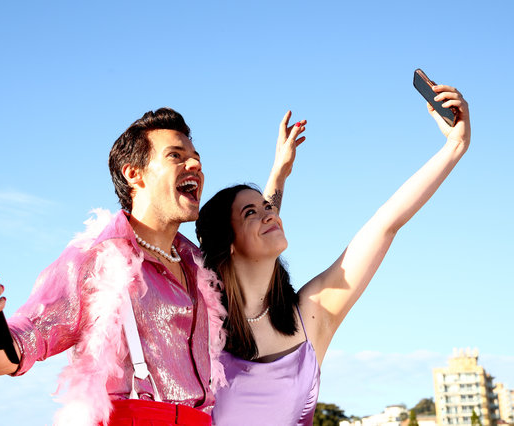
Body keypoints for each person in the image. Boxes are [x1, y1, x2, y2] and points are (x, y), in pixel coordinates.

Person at [195, 84, 470, 425]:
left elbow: (385, 224)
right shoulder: (200, 326)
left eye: (269, 207)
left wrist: (455, 147)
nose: (270, 214)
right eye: (251, 212)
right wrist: (278, 175)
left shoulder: (313, 315)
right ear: (228, 243)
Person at [0, 108, 227, 426]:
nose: (195, 164)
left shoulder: (201, 269)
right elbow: (9, 355)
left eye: (196, 156)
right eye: (176, 155)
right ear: (134, 174)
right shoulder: (94, 259)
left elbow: (258, 254)